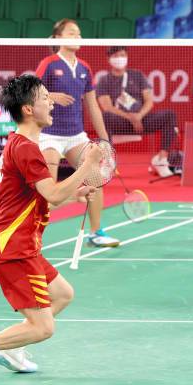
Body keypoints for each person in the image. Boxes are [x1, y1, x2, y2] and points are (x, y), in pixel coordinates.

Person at [0, 75, 102, 384]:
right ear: (28, 109)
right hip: (11, 250)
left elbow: (43, 197)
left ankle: (14, 351)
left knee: (62, 294)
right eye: (45, 97)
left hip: (20, 245)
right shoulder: (28, 150)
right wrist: (87, 166)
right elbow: (53, 193)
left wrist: (74, 194)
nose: (51, 102)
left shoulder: (19, 144)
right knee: (43, 327)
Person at [36, 18, 119, 247]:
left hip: (76, 136)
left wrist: (104, 141)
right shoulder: (49, 63)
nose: (78, 37)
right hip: (49, 136)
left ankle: (96, 232)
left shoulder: (84, 68)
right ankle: (34, 235)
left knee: (96, 177)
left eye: (79, 34)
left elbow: (93, 107)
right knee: (49, 192)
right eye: (72, 33)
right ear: (58, 38)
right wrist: (51, 96)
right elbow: (29, 91)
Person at [95, 46, 178, 178]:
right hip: (119, 122)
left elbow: (149, 101)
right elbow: (107, 107)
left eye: (122, 55)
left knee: (169, 115)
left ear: (127, 57)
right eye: (115, 56)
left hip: (142, 120)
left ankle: (161, 160)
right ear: (109, 59)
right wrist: (130, 117)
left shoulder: (137, 75)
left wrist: (138, 116)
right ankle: (108, 160)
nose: (119, 59)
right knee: (104, 117)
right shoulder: (104, 80)